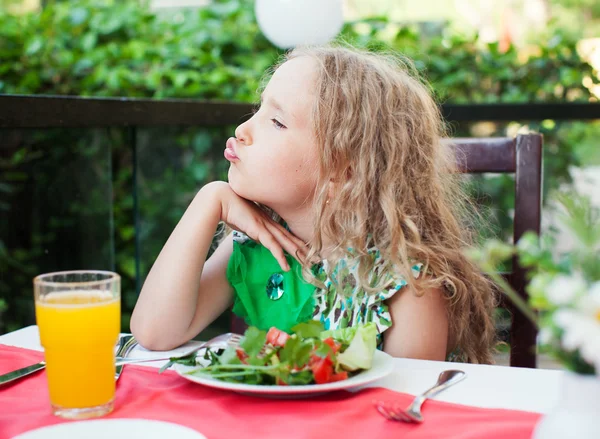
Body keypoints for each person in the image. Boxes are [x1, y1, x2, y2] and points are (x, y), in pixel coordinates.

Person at [131, 45, 496, 363]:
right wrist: (208, 200)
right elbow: (154, 333)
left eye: (276, 121)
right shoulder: (256, 245)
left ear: (343, 171)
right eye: (259, 109)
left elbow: (404, 409)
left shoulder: (404, 282)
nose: (243, 129)